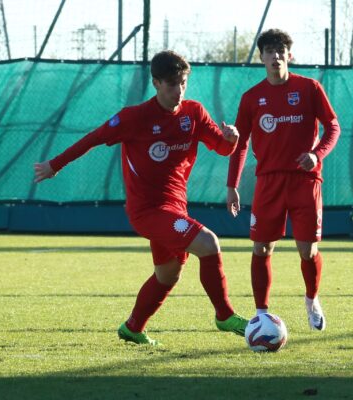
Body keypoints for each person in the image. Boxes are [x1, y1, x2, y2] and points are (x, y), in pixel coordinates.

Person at [34, 50, 248, 345]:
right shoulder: (134, 118)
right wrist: (54, 165)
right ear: (156, 83)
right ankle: (224, 316)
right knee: (209, 243)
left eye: (183, 83)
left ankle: (132, 328)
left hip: (175, 209)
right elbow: (93, 138)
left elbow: (222, 149)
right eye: (172, 84)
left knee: (168, 275)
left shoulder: (194, 113)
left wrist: (232, 139)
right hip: (148, 211)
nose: (179, 90)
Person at [227, 29, 341, 331]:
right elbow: (239, 143)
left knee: (308, 250)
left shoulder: (309, 88)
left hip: (305, 182)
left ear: (289, 55)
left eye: (281, 50)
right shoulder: (251, 98)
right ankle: (262, 314)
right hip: (268, 183)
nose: (276, 56)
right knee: (261, 247)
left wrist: (317, 155)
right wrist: (232, 185)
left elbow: (332, 126)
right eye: (269, 51)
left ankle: (311, 298)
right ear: (261, 57)